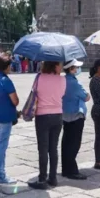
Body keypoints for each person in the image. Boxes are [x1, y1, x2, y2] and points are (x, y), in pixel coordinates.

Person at [29, 60, 66, 189]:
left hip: (43, 115)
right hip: (58, 115)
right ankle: (53, 178)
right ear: (55, 65)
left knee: (43, 148)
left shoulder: (39, 77)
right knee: (53, 148)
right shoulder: (62, 80)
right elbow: (62, 94)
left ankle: (42, 179)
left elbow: (34, 93)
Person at [0, 56, 19, 185]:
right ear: (7, 66)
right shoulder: (6, 81)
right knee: (2, 145)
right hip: (6, 116)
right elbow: (15, 100)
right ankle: (1, 174)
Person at [61, 58, 89, 179]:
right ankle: (72, 170)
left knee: (66, 142)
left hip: (65, 114)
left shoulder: (62, 80)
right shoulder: (74, 83)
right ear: (71, 69)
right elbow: (86, 97)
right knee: (74, 143)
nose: (78, 69)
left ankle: (66, 168)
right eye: (76, 67)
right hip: (76, 115)